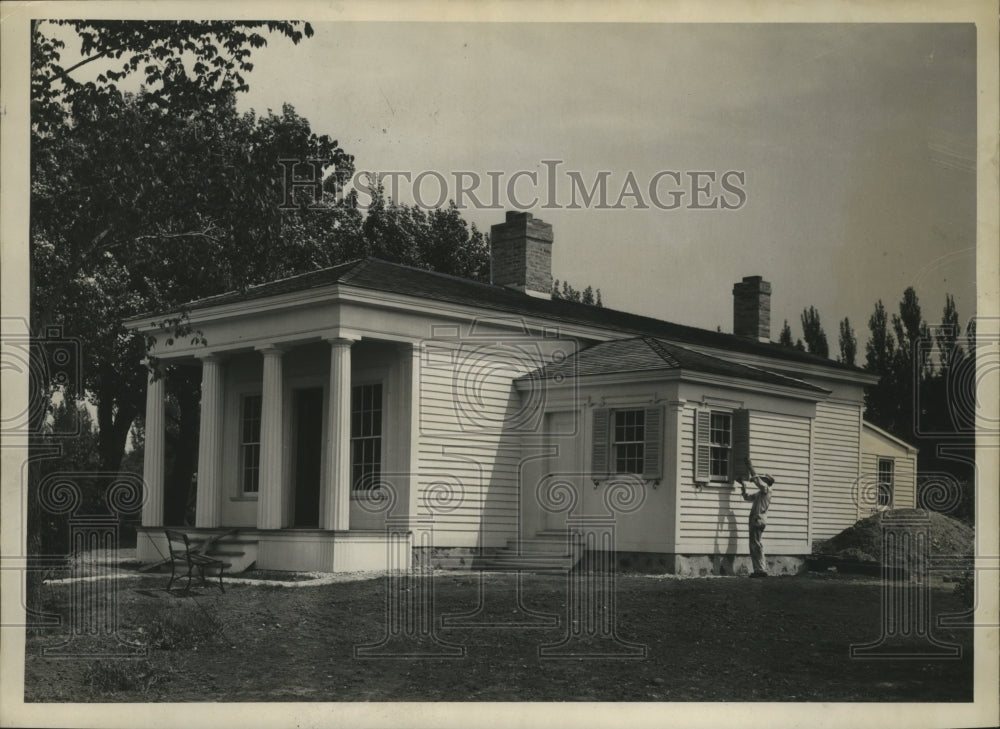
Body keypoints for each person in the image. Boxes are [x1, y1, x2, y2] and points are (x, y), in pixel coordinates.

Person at [737, 471, 775, 577]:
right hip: (757, 520)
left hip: (758, 520)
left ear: (767, 482)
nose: (762, 480)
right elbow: (747, 497)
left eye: (764, 479)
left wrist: (750, 468)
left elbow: (759, 482)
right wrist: (743, 486)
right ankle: (759, 570)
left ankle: (760, 570)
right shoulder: (760, 493)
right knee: (755, 544)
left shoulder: (767, 489)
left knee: (756, 545)